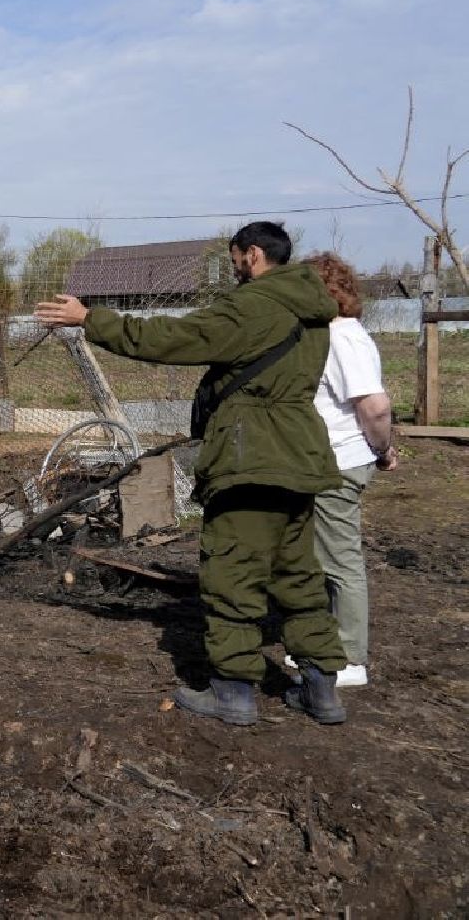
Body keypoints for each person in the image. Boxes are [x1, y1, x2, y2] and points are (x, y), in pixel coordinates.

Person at [35, 222, 349, 727]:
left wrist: (91, 319)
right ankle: (321, 690)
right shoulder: (312, 311)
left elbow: (175, 337)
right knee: (299, 576)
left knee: (232, 574)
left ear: (252, 255)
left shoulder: (255, 305)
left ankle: (232, 693)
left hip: (251, 456)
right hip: (301, 455)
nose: (234, 271)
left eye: (233, 261)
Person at [296, 252, 397, 688]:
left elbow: (374, 407)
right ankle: (323, 645)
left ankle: (350, 659)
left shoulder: (343, 337)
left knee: (340, 561)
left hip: (341, 460)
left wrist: (383, 448)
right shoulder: (324, 334)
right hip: (323, 461)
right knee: (319, 558)